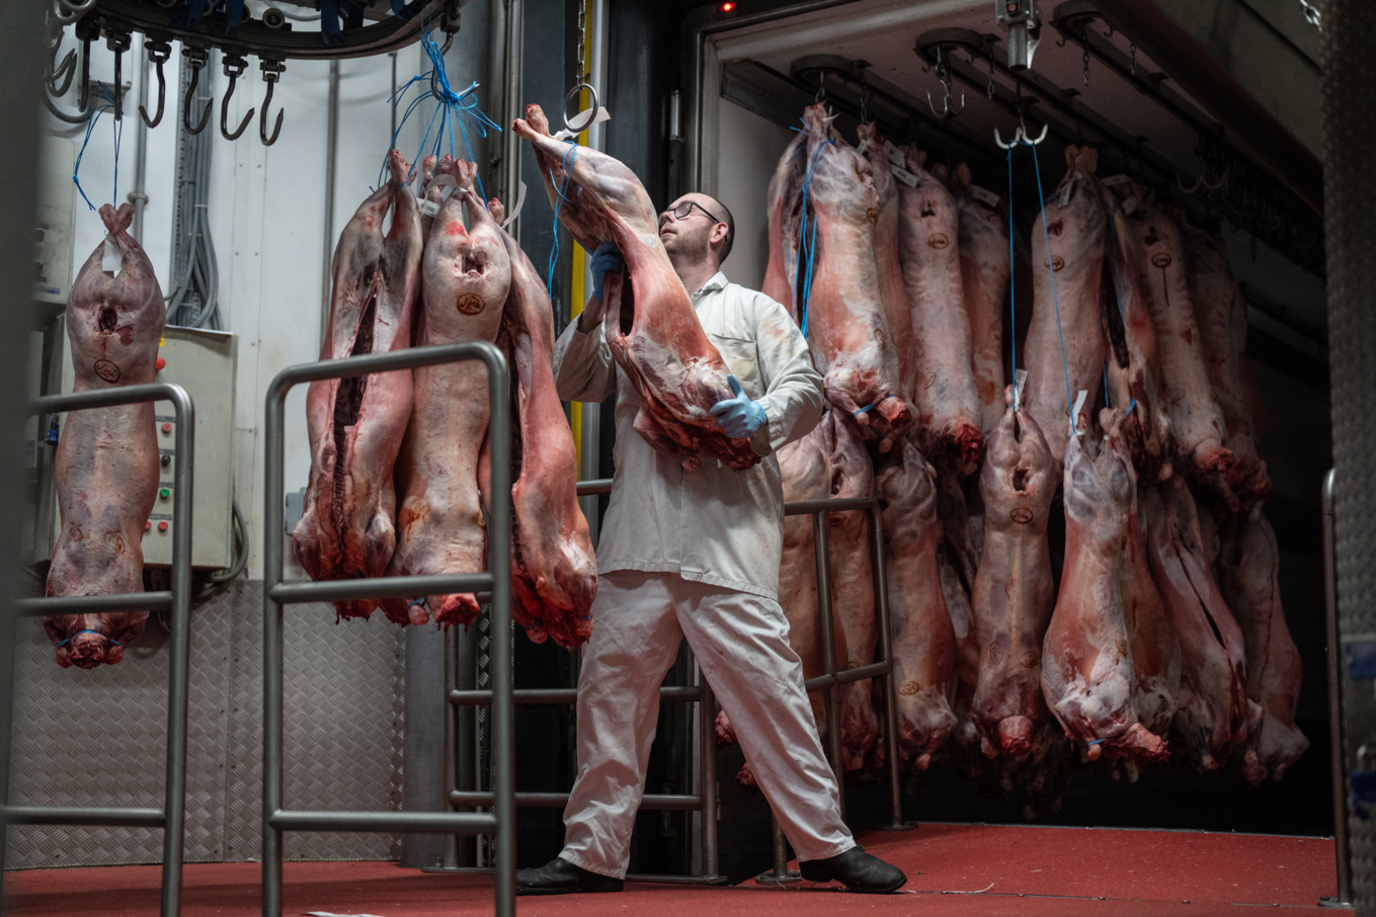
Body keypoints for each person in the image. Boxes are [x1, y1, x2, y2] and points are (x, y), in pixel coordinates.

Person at [515, 192, 907, 896]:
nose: (669, 215)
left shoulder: (753, 311)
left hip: (726, 540)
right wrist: (597, 303)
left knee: (771, 695)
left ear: (719, 232)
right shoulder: (627, 308)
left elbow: (808, 389)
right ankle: (592, 856)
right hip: (637, 540)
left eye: (687, 209)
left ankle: (824, 844)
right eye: (663, 210)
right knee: (610, 699)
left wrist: (760, 414)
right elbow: (577, 380)